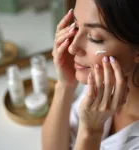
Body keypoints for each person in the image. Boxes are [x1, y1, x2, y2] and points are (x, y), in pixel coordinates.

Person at [42, 0, 139, 149]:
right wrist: (65, 86)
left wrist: (91, 132)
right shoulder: (100, 85)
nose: (72, 48)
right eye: (75, 25)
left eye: (94, 38)